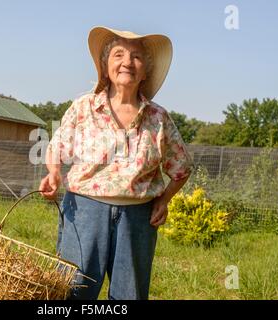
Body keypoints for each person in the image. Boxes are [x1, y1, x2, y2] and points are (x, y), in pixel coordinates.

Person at [39, 26, 194, 300]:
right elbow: (56, 148)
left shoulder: (158, 118)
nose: (127, 62)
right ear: (105, 66)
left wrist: (164, 200)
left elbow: (181, 169)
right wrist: (53, 174)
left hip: (137, 219)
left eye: (136, 57)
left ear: (145, 70)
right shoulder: (83, 107)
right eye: (118, 55)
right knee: (73, 292)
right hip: (84, 212)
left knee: (129, 296)